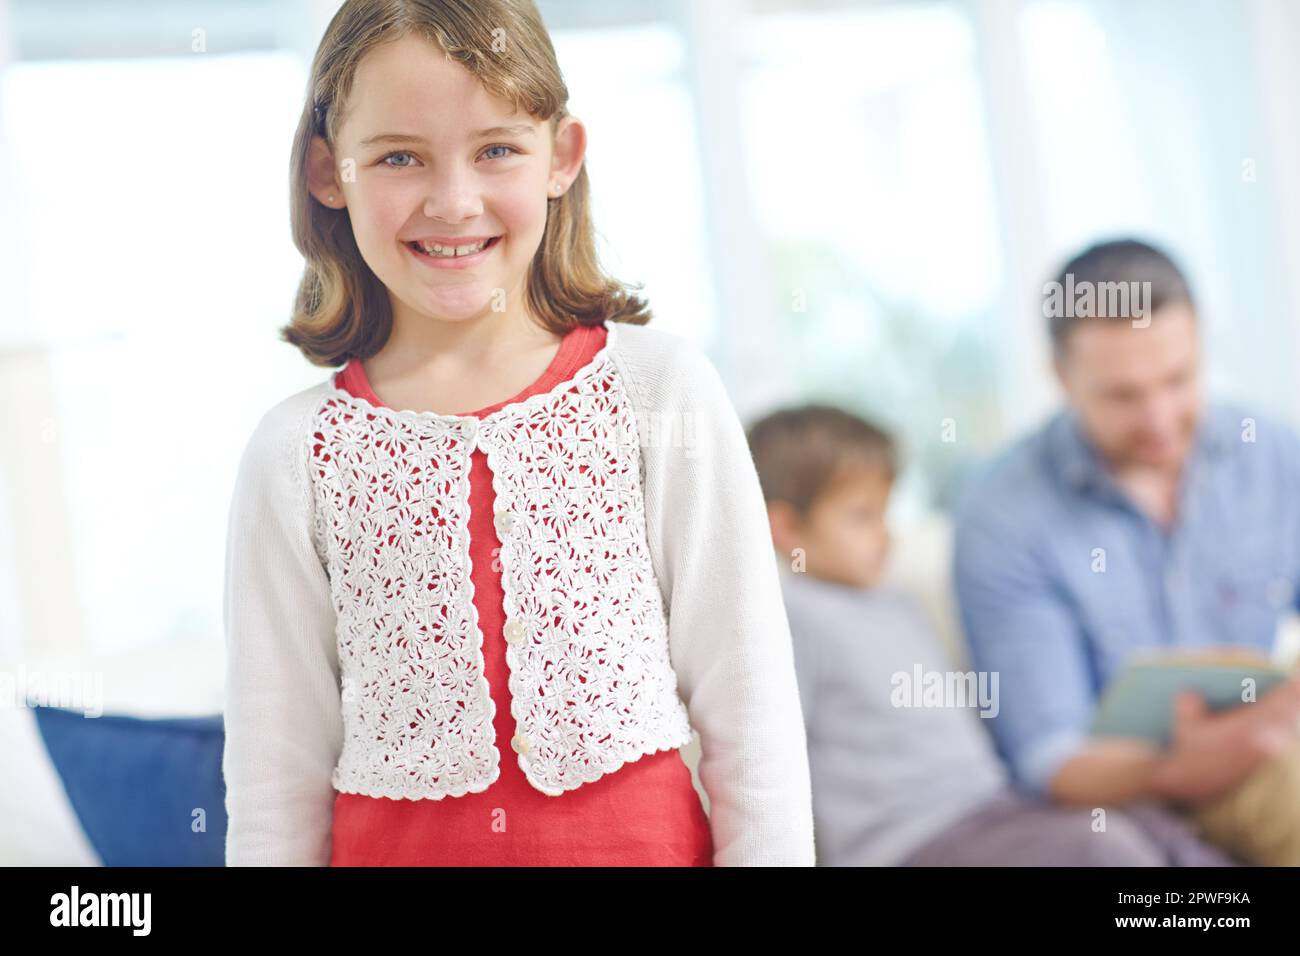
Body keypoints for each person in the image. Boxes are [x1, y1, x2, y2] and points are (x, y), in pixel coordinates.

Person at [221, 0, 813, 867]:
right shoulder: (294, 456)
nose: (453, 202)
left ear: (561, 157)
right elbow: (275, 789)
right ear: (327, 173)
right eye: (397, 157)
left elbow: (753, 718)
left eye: (496, 149)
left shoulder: (658, 391)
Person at [746, 404, 1235, 865]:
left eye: (885, 511)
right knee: (1100, 848)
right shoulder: (789, 619)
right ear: (784, 527)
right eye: (861, 516)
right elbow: (766, 756)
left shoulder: (895, 604)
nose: (886, 533)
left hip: (993, 811)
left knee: (1156, 827)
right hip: (914, 842)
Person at [951, 238, 1300, 865]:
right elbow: (1048, 756)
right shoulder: (1003, 514)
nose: (1161, 418)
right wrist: (1177, 767)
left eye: (1178, 379)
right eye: (1122, 396)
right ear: (1061, 377)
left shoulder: (1271, 455)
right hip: (1133, 793)